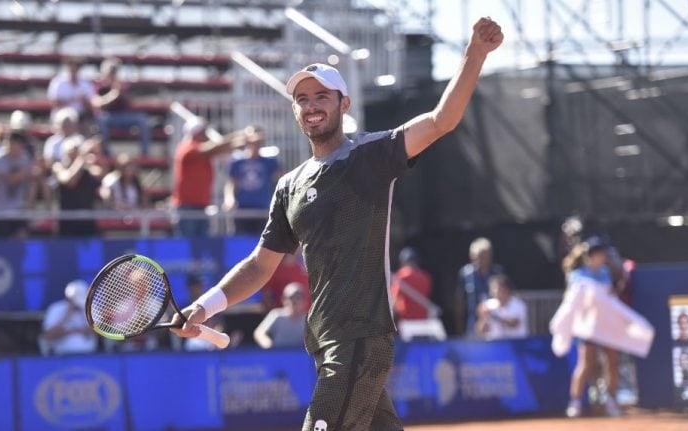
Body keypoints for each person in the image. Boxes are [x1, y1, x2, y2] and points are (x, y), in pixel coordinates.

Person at [169, 17, 503, 431]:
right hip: (325, 342)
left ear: (343, 104)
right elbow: (259, 266)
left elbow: (440, 121)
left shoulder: (371, 155)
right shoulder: (289, 186)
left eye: (321, 96)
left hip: (362, 338)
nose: (311, 105)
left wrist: (474, 54)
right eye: (303, 98)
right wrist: (204, 307)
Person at [562, 238, 622, 418]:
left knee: (612, 362)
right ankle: (575, 402)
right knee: (586, 364)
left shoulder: (605, 272)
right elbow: (573, 298)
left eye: (604, 254)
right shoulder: (577, 275)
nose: (604, 257)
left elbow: (609, 297)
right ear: (591, 256)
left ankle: (611, 401)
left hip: (605, 324)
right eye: (601, 253)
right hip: (587, 326)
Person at [171, 117, 247, 237]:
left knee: (201, 245)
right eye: (203, 131)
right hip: (187, 206)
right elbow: (212, 148)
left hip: (201, 205)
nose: (206, 135)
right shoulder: (187, 148)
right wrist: (238, 136)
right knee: (187, 246)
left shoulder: (202, 150)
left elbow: (219, 149)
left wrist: (238, 143)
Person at [223, 125, 281, 234]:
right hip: (242, 209)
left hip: (262, 208)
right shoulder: (237, 161)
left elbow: (281, 180)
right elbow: (232, 183)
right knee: (241, 240)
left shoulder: (270, 162)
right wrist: (229, 199)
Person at [92, 57, 150, 156]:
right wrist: (113, 95)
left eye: (114, 72)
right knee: (100, 120)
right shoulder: (100, 88)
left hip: (124, 117)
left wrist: (122, 93)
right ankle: (106, 152)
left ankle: (145, 152)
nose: (112, 75)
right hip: (108, 118)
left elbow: (130, 103)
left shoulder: (122, 86)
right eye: (110, 72)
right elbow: (97, 104)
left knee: (142, 119)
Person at [0, 131, 33, 238]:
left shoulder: (24, 158)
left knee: (21, 237)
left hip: (17, 209)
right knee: (0, 243)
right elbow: (10, 179)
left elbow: (29, 181)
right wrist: (27, 171)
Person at [52, 136, 102, 236]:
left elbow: (100, 173)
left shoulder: (86, 167)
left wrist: (97, 153)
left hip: (87, 222)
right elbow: (69, 181)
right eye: (70, 151)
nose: (73, 154)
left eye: (76, 151)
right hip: (67, 222)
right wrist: (82, 157)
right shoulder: (58, 167)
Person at [458, 237, 505, 336]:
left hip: (495, 323)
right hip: (472, 323)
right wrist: (459, 327)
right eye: (480, 256)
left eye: (486, 256)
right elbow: (460, 301)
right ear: (473, 257)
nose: (483, 260)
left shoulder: (497, 273)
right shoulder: (466, 274)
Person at [41, 279, 98, 355]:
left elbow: (98, 332)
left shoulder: (92, 308)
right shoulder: (55, 308)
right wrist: (67, 314)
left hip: (89, 355)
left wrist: (76, 329)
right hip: (61, 356)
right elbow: (49, 334)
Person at [47, 56, 96, 135]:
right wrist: (74, 99)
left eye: (76, 68)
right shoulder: (58, 82)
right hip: (61, 116)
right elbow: (54, 103)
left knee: (90, 126)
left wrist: (84, 101)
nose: (73, 71)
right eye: (71, 68)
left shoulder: (86, 83)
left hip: (81, 118)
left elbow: (91, 106)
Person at [254, 282, 308, 349]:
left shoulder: (309, 319)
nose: (294, 301)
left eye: (298, 297)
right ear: (283, 300)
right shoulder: (276, 315)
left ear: (304, 301)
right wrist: (268, 345)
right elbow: (259, 333)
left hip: (301, 357)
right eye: (291, 297)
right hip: (277, 356)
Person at [475, 274, 528, 340]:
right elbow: (480, 331)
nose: (495, 292)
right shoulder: (488, 305)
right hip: (496, 345)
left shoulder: (519, 304)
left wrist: (493, 315)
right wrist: (483, 317)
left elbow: (514, 324)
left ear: (507, 290)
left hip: (516, 344)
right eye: (492, 289)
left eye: (498, 289)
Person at [390, 247, 434, 321]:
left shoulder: (401, 276)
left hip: (406, 320)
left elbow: (393, 299)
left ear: (403, 262)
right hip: (422, 318)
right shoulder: (426, 277)